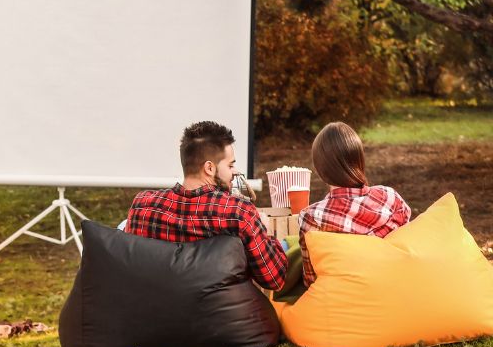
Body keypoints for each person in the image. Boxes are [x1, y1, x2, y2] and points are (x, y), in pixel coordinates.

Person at [124, 121, 288, 291]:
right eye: (230, 165)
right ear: (209, 167)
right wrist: (266, 231)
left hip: (151, 311)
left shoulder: (143, 205)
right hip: (219, 314)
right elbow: (275, 280)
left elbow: (130, 265)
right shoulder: (238, 211)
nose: (234, 172)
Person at [298, 122, 411, 287]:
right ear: (359, 160)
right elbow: (408, 250)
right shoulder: (390, 197)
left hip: (345, 302)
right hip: (395, 290)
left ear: (320, 169)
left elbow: (311, 280)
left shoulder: (313, 217)